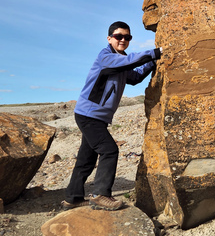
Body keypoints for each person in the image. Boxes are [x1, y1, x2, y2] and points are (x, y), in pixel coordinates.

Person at [61, 21, 162, 211]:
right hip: (89, 115)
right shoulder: (106, 57)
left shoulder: (121, 62)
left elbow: (136, 76)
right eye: (119, 36)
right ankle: (100, 195)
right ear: (109, 39)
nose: (123, 40)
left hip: (96, 118)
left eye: (127, 37)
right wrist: (155, 52)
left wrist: (153, 62)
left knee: (86, 159)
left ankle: (72, 198)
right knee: (109, 150)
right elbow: (126, 62)